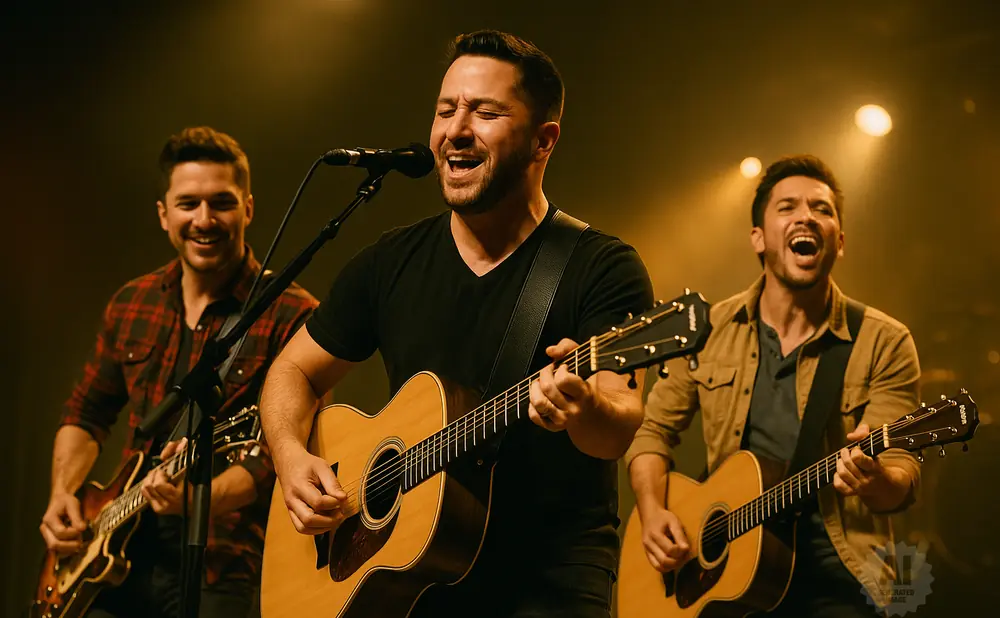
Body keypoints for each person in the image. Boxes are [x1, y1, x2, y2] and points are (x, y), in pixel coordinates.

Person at [258, 30, 654, 618]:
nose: (455, 131)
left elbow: (617, 426)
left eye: (486, 112)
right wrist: (291, 456)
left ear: (544, 141)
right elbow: (292, 369)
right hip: (409, 578)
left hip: (548, 581)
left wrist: (583, 408)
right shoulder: (390, 261)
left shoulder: (599, 266)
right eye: (446, 110)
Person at [40, 126, 319, 618]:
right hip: (115, 553)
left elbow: (278, 453)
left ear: (248, 208)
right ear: (164, 214)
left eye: (222, 203)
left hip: (224, 561)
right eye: (188, 204)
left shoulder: (290, 313)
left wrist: (199, 501)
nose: (205, 220)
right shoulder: (132, 302)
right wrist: (64, 493)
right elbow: (86, 411)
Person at [625, 155, 922, 617]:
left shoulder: (884, 340)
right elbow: (651, 432)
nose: (806, 216)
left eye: (821, 209)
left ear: (838, 241)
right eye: (787, 207)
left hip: (836, 575)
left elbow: (899, 485)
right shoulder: (707, 329)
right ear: (758, 239)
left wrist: (875, 478)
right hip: (719, 575)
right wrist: (651, 511)